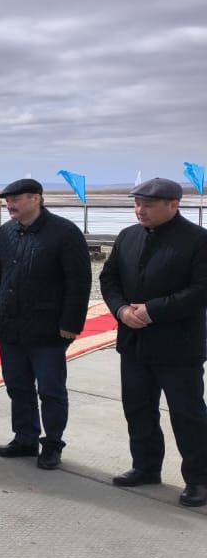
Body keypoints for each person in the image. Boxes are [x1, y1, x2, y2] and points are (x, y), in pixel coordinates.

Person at [99, 177, 207, 508]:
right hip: (134, 342)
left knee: (187, 415)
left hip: (178, 346)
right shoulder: (128, 236)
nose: (139, 210)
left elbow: (200, 290)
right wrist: (121, 309)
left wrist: (152, 310)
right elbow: (109, 278)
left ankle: (199, 480)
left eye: (147, 205)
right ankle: (145, 466)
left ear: (173, 205)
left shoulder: (198, 240)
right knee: (138, 408)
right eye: (137, 204)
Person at [0, 178, 92, 470]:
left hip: (48, 329)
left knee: (50, 389)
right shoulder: (6, 232)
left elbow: (79, 282)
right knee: (17, 385)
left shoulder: (64, 232)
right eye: (8, 200)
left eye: (16, 199)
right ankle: (25, 438)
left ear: (36, 199)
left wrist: (71, 323)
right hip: (10, 326)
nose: (10, 205)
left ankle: (53, 444)